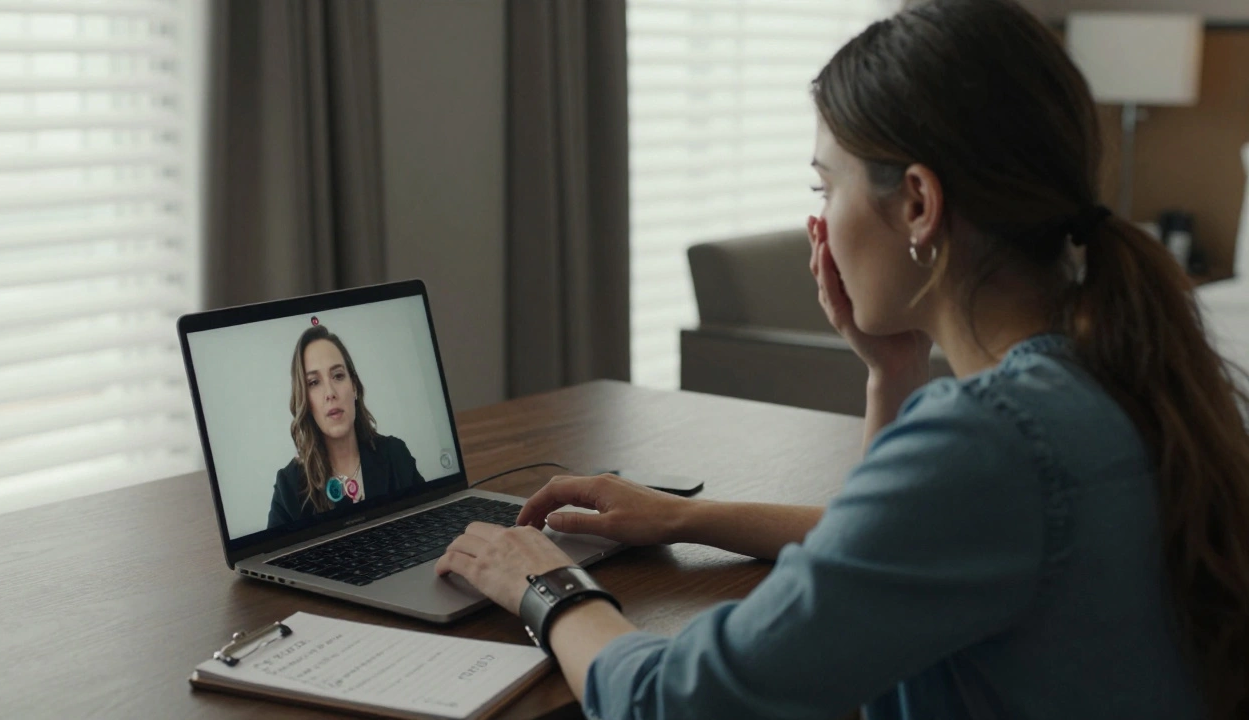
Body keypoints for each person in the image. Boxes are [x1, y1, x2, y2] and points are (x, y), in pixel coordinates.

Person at [430, 0, 1249, 718]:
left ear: (920, 204)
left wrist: (547, 584)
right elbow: (891, 548)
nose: (819, 219)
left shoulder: (990, 440)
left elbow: (681, 704)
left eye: (826, 187)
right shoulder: (1110, 369)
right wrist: (692, 512)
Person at [267, 325, 424, 529]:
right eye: (314, 382)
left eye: (338, 376)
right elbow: (269, 559)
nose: (330, 392)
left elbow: (430, 526)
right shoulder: (288, 486)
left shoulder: (396, 455)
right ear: (304, 401)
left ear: (355, 387)